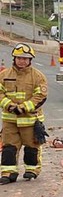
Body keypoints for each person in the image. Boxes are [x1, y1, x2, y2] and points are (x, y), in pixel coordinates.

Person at [0, 43, 48, 184]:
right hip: (10, 120)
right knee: (9, 147)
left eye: (26, 59)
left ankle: (31, 170)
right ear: (14, 58)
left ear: (30, 60)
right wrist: (9, 106)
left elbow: (40, 96)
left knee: (32, 147)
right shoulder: (4, 75)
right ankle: (8, 173)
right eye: (20, 58)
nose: (22, 61)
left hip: (30, 120)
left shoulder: (38, 77)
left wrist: (23, 108)